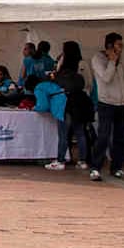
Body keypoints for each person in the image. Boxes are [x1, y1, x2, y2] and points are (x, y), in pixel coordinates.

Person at [45, 40, 94, 172]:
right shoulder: (82, 64)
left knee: (63, 133)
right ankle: (82, 161)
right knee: (80, 132)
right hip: (80, 102)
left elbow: (56, 80)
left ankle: (61, 160)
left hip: (64, 102)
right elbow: (89, 83)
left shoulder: (64, 65)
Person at [91, 32, 124, 181]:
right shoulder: (98, 59)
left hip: (122, 104)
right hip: (107, 103)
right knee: (103, 136)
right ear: (110, 45)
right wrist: (112, 61)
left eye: (122, 45)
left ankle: (117, 168)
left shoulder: (121, 60)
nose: (121, 48)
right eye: (118, 45)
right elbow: (106, 78)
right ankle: (95, 168)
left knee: (121, 138)